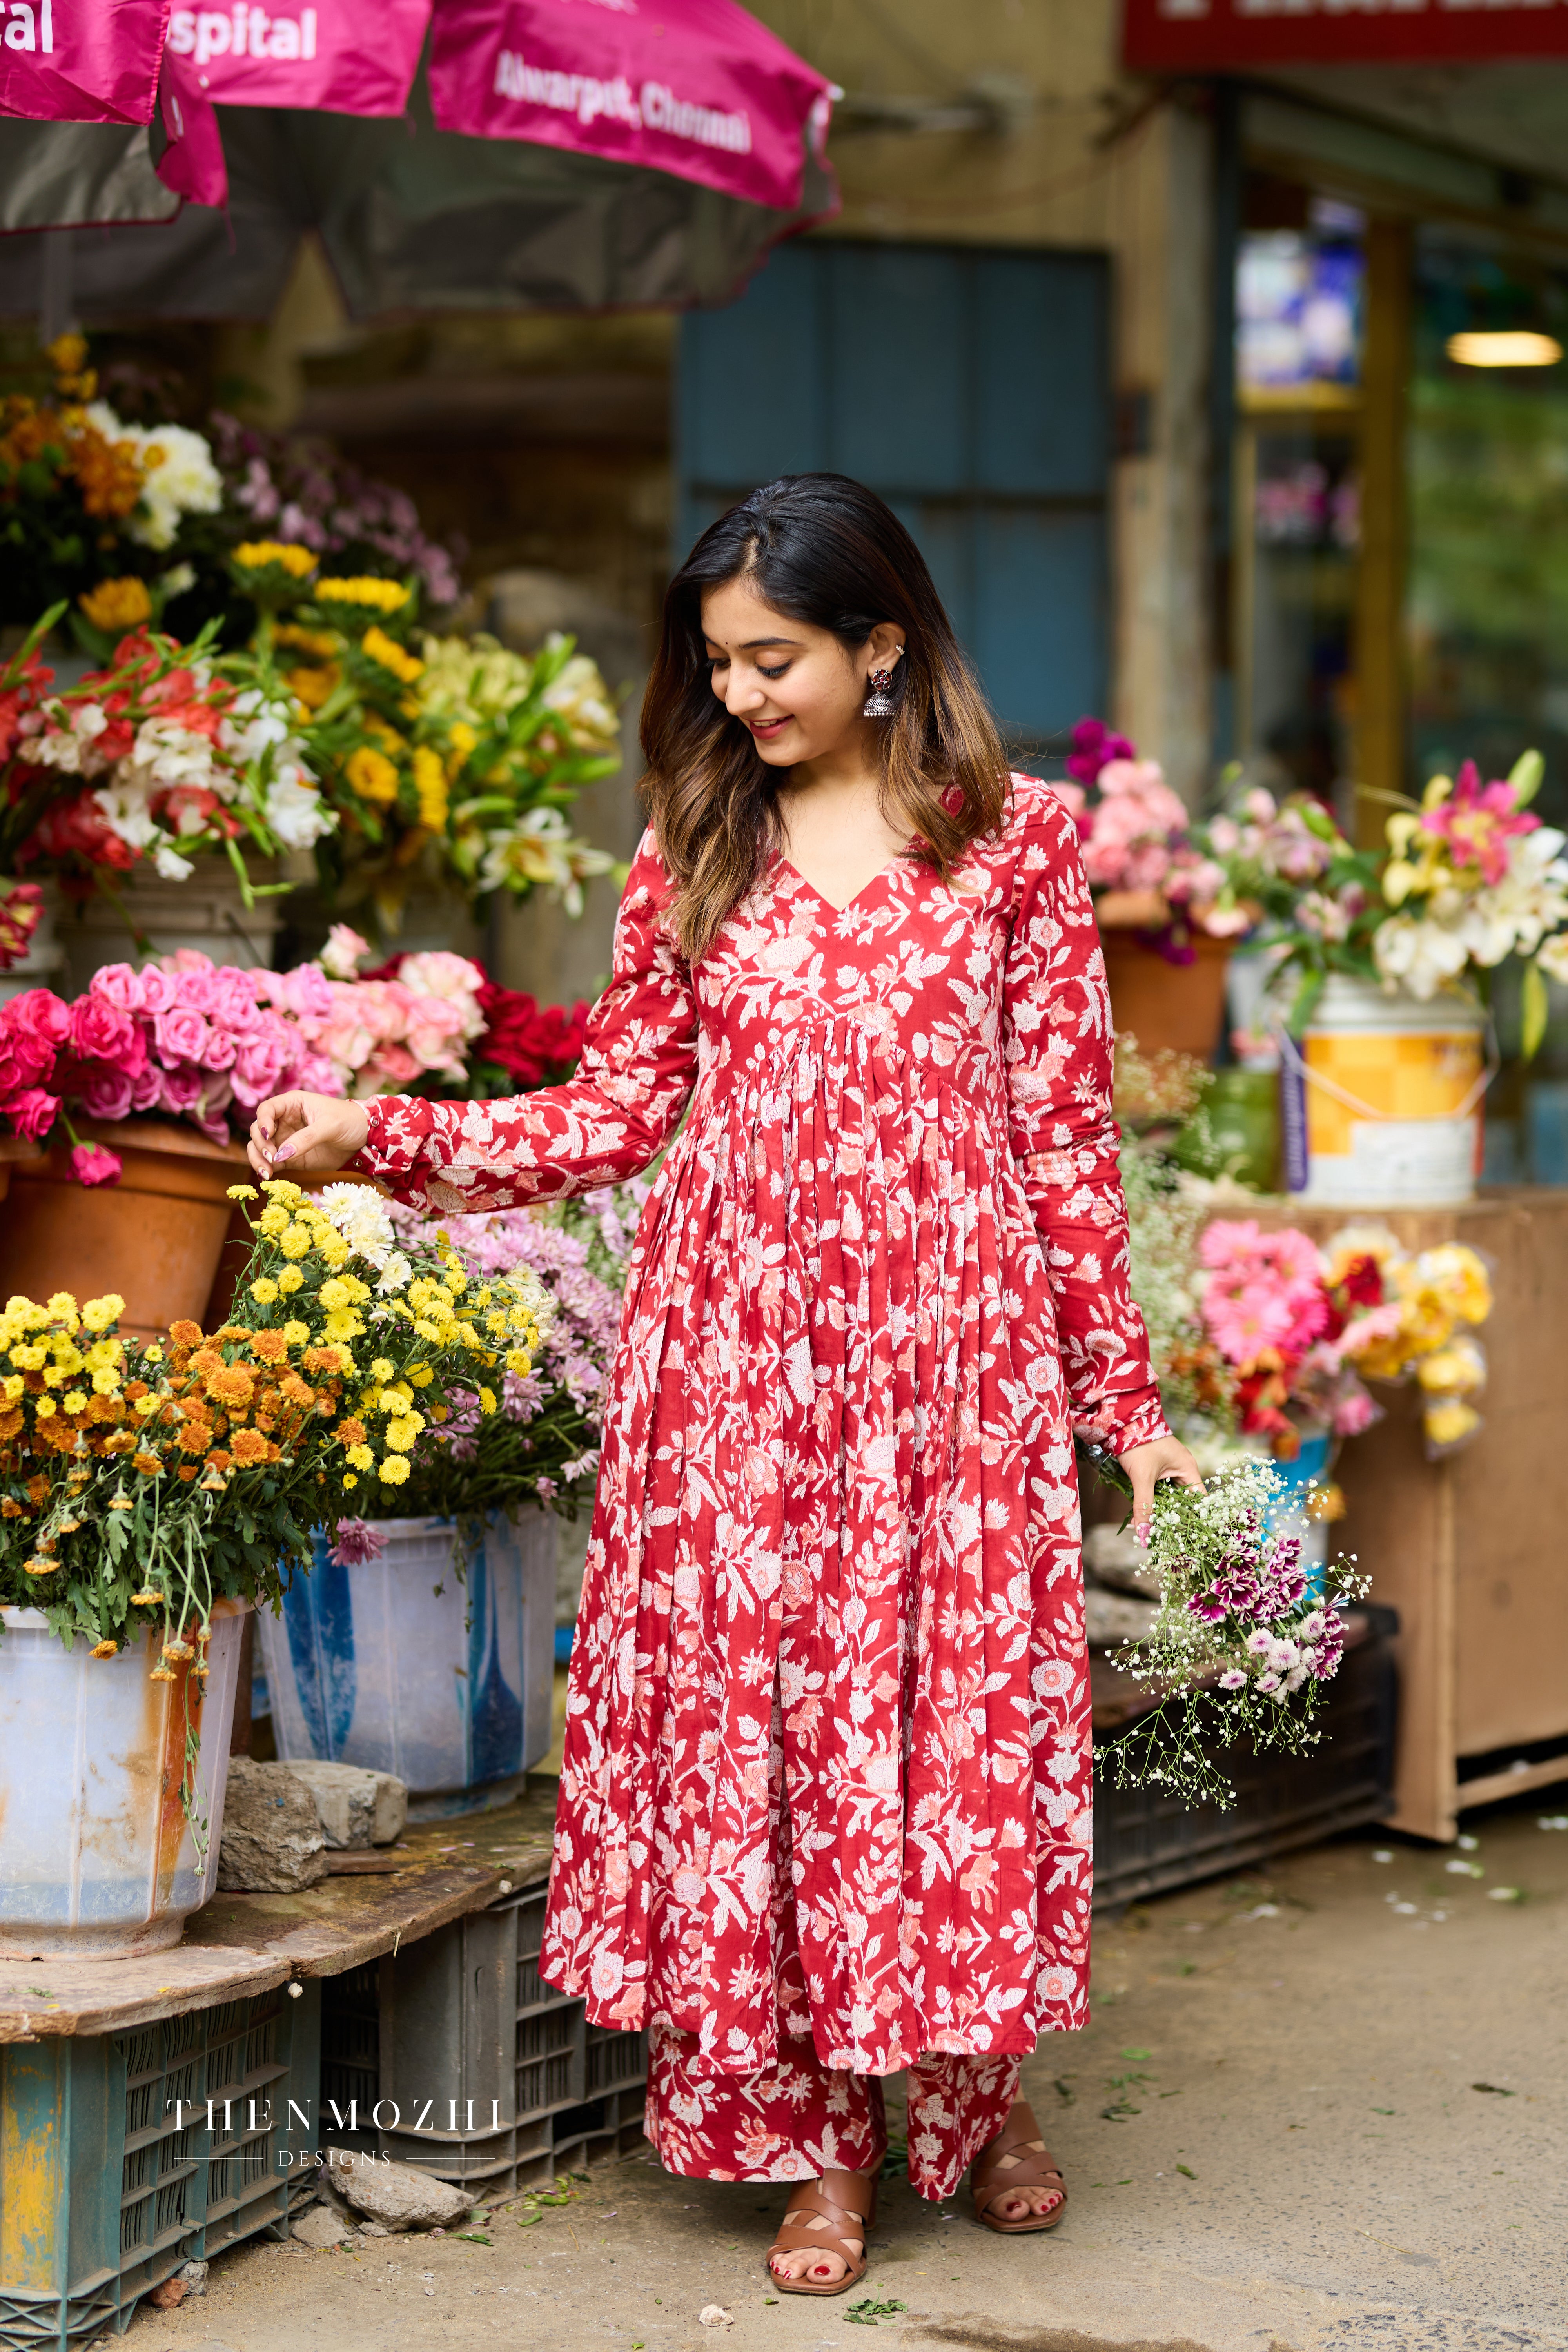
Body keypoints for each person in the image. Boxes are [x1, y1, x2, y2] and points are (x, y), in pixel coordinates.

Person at [247, 474, 1201, 2294]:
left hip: (953, 1370)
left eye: (774, 659)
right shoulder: (696, 850)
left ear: (882, 643)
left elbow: (1066, 1140)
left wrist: (1122, 1409)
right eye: (719, 665)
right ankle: (817, 2143)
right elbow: (619, 1113)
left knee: (949, 1737)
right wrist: (372, 1136)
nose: (743, 696)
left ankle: (972, 2100)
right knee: (777, 1746)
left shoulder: (1012, 845)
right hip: (742, 1373)